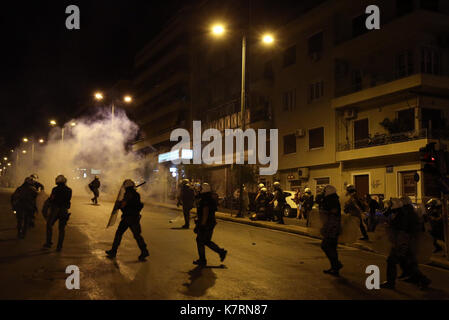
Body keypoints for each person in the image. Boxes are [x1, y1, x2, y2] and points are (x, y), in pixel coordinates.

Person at [380, 197, 431, 290]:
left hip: (402, 242)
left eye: (391, 205)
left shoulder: (402, 215)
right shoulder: (406, 213)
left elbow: (401, 231)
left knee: (391, 261)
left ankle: (391, 283)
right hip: (406, 242)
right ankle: (421, 279)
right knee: (408, 263)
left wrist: (400, 245)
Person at [106, 179, 149, 261]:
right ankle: (144, 251)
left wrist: (118, 204)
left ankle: (113, 251)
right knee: (137, 235)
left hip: (128, 218)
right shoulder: (136, 194)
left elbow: (123, 205)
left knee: (119, 233)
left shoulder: (128, 194)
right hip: (134, 218)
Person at [193, 183, 227, 267]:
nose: (199, 190)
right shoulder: (209, 197)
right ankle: (221, 252)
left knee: (200, 240)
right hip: (210, 222)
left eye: (200, 188)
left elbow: (205, 211)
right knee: (206, 241)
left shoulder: (205, 199)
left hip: (207, 223)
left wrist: (202, 225)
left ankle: (202, 260)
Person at [43, 175, 72, 251]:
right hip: (64, 210)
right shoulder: (69, 190)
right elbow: (68, 201)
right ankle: (59, 246)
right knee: (61, 229)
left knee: (49, 225)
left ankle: (48, 243)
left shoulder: (55, 189)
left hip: (55, 210)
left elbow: (51, 199)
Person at [320, 185, 343, 276]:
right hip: (333, 227)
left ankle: (336, 265)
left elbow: (332, 214)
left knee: (325, 245)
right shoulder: (334, 199)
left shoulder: (331, 201)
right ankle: (335, 268)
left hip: (332, 227)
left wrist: (327, 227)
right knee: (332, 247)